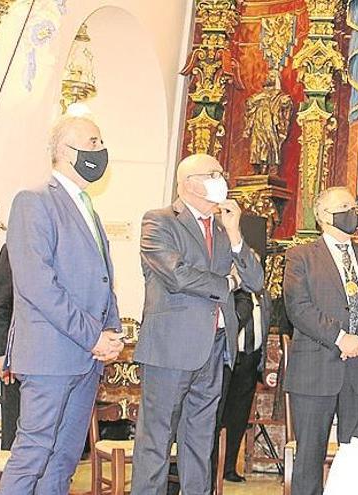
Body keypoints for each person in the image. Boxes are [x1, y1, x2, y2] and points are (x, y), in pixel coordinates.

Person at [0, 114, 124, 494]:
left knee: (64, 461)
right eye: (92, 141)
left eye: (101, 142)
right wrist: (93, 336)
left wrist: (113, 331)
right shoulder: (34, 201)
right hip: (51, 355)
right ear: (64, 151)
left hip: (86, 358)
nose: (100, 150)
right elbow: (39, 285)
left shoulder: (89, 209)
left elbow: (102, 278)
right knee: (33, 454)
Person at [130, 154, 264, 495]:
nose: (222, 179)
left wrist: (236, 235)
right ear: (190, 182)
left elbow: (254, 279)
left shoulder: (223, 229)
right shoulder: (159, 221)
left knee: (200, 445)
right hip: (170, 350)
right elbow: (177, 275)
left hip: (215, 349)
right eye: (214, 174)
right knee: (156, 444)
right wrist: (226, 283)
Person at [283, 187, 358, 495]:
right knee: (309, 457)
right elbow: (298, 308)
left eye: (354, 206)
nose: (352, 212)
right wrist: (340, 338)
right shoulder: (300, 256)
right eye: (344, 206)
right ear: (322, 215)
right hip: (315, 371)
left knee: (357, 459)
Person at [211, 215, 270, 485]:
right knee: (217, 415)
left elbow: (265, 328)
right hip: (226, 360)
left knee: (238, 417)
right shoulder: (234, 294)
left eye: (257, 263)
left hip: (250, 361)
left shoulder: (264, 296)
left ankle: (229, 467)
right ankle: (212, 467)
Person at [0, 244, 19, 450]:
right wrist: (2, 354)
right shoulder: (13, 249)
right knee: (16, 443)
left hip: (57, 363)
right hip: (17, 360)